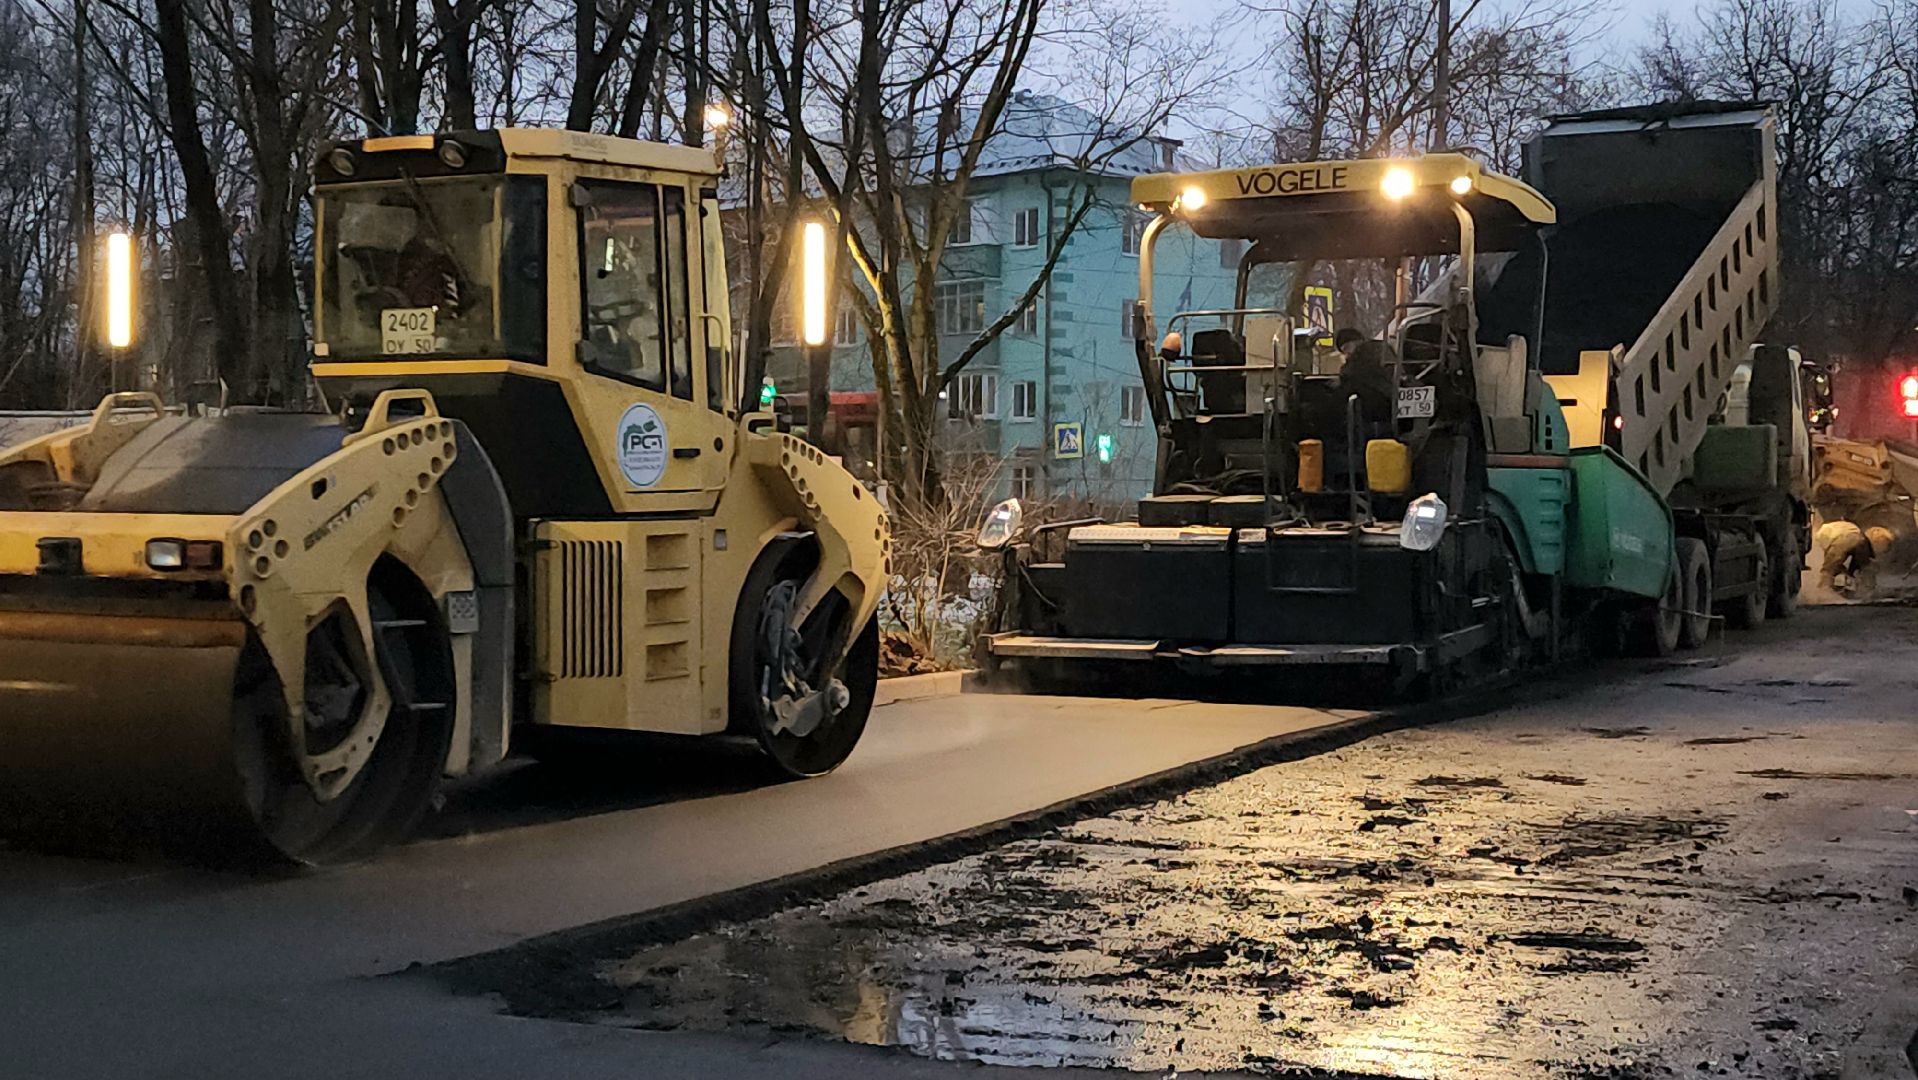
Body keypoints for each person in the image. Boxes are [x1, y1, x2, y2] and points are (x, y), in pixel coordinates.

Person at [1332, 327, 1394, 425]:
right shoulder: (1382, 347)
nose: (1347, 353)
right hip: (1392, 400)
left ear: (1354, 342)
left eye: (1346, 348)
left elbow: (1349, 373)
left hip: (1377, 406)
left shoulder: (1359, 357)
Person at [1815, 519, 1890, 594]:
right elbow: (1838, 554)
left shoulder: (1853, 534)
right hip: (1845, 538)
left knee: (1831, 569)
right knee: (1831, 569)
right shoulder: (1855, 538)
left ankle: (1824, 590)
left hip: (1839, 536)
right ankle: (1822, 593)